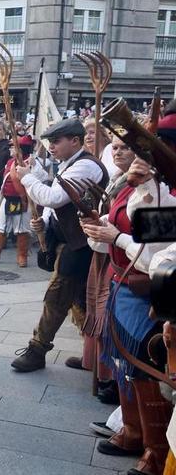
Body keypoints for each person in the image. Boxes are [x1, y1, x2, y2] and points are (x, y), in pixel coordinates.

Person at [83, 153, 176, 475]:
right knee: (125, 366)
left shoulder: (167, 197)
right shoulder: (128, 189)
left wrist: (116, 237)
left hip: (145, 291)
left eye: (144, 153)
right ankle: (134, 432)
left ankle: (156, 449)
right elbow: (112, 238)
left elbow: (158, 259)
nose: (134, 160)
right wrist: (99, 229)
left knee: (144, 367)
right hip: (122, 285)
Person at [11, 118, 108, 372]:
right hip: (68, 240)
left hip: (80, 244)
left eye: (56, 141)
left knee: (57, 296)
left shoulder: (86, 165)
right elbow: (56, 198)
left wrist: (28, 179)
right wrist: (43, 222)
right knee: (78, 300)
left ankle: (37, 349)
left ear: (75, 141)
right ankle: (95, 355)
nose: (51, 147)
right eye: (50, 142)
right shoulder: (69, 164)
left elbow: (54, 198)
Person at [74, 135, 135, 404]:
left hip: (125, 260)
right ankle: (101, 369)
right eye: (116, 148)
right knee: (97, 308)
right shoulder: (117, 179)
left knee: (111, 317)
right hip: (107, 252)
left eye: (126, 148)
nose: (118, 152)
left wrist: (110, 231)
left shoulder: (140, 184)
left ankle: (114, 379)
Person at [0, 135, 36, 266]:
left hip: (23, 200)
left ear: (21, 149)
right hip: (7, 198)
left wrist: (32, 166)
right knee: (0, 225)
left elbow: (39, 178)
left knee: (22, 228)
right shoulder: (10, 162)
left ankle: (22, 255)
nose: (11, 149)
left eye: (14, 147)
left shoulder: (32, 162)